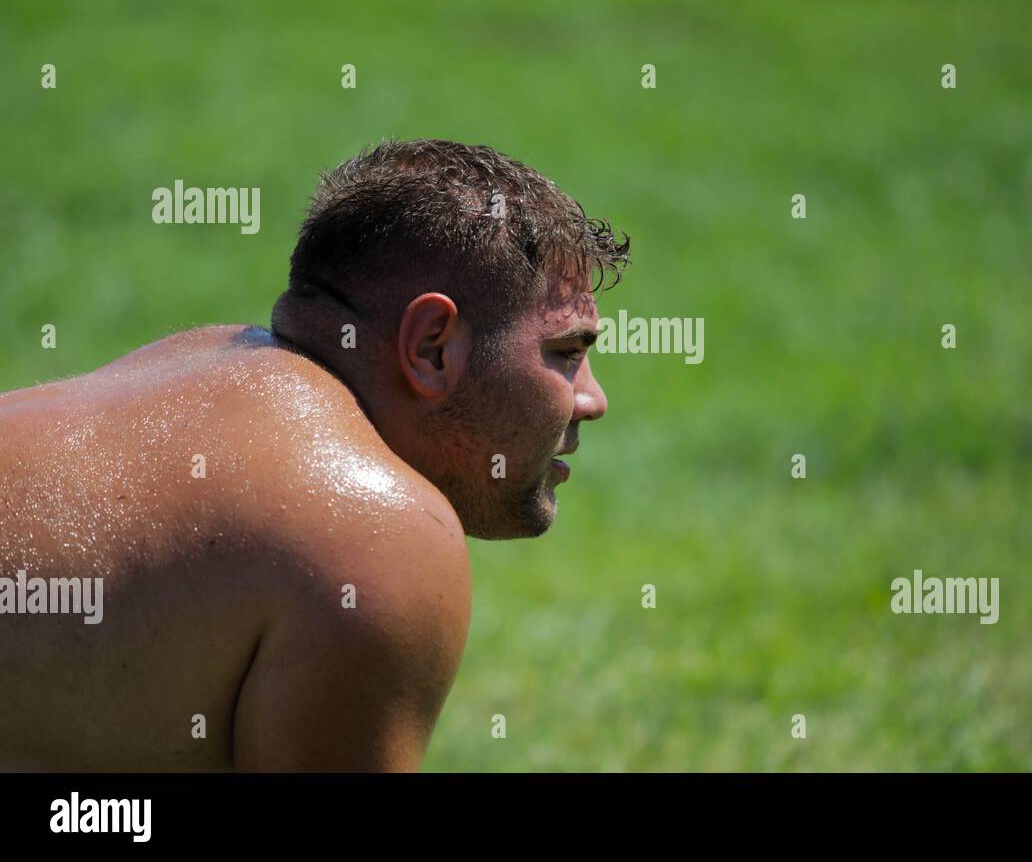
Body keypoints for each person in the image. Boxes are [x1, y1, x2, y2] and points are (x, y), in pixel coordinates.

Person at [0, 139, 630, 771]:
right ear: (433, 346)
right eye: (566, 354)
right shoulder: (376, 534)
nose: (593, 399)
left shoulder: (201, 362)